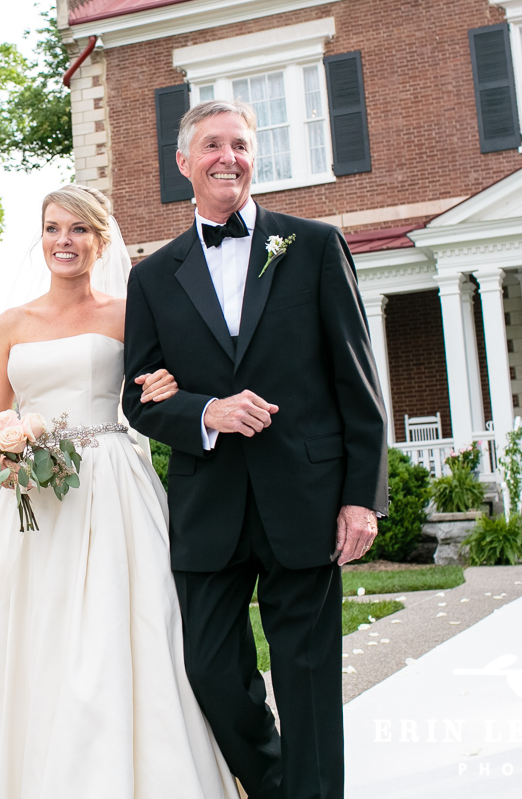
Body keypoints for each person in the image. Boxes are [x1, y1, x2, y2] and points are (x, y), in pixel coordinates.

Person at [122, 100, 388, 799]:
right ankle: (275, 784)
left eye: (240, 144)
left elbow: (356, 381)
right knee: (209, 668)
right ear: (183, 163)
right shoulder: (152, 276)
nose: (228, 158)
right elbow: (137, 397)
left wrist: (363, 497)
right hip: (209, 503)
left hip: (306, 498)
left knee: (307, 678)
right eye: (212, 145)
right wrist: (206, 411)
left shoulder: (314, 246)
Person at [0, 185, 237, 799]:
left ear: (101, 240)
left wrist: (164, 384)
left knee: (119, 625)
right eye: (53, 229)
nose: (63, 242)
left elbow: (161, 388)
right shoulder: (10, 323)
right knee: (35, 632)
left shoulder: (128, 313)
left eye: (78, 230)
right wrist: (13, 461)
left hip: (110, 486)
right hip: (34, 501)